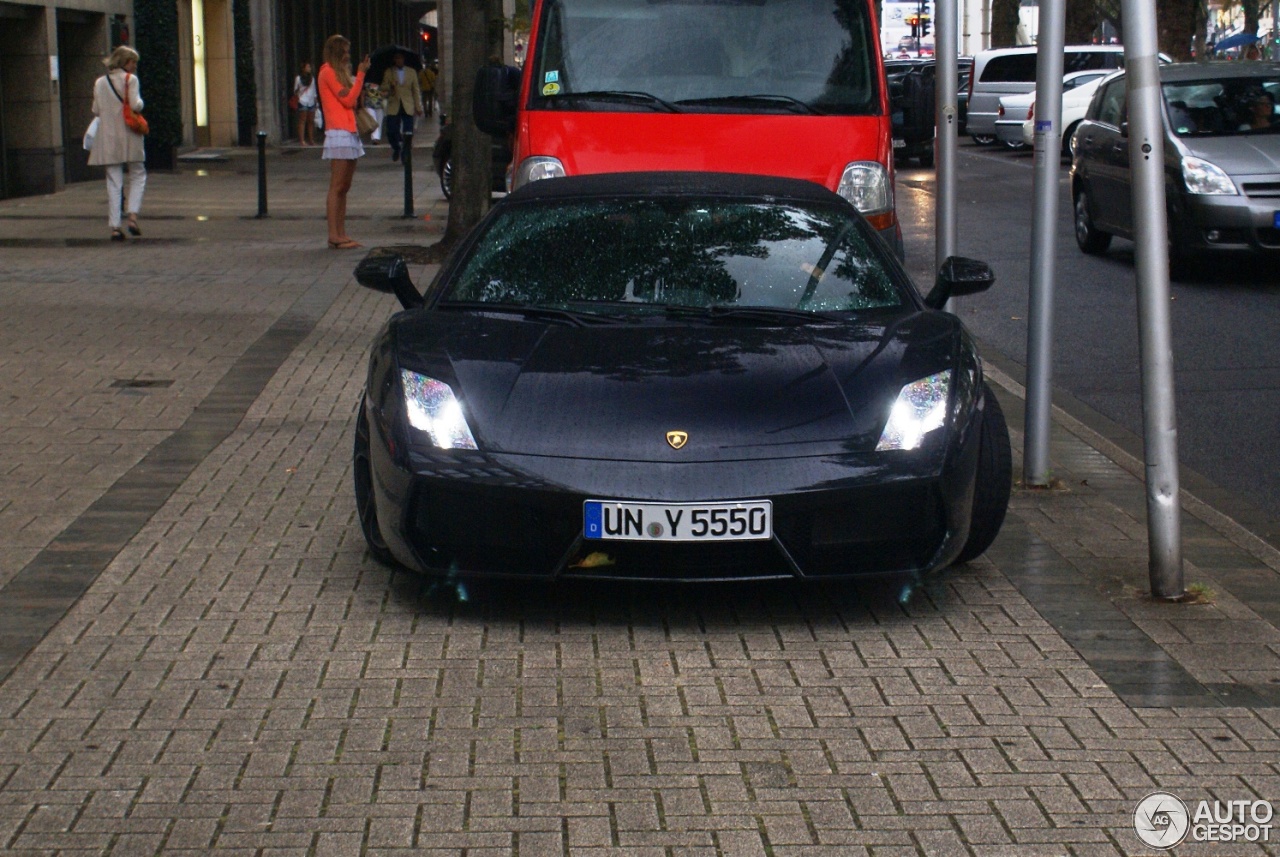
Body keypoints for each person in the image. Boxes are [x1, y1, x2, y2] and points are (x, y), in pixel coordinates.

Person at [89, 45, 147, 242]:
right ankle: (132, 217)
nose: (135, 66)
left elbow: (96, 109)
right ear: (125, 62)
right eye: (133, 62)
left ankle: (115, 226)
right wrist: (139, 104)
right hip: (130, 133)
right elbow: (136, 104)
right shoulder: (131, 80)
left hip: (108, 136)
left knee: (114, 180)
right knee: (138, 173)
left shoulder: (100, 83)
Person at [318, 34, 371, 250]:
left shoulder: (341, 74)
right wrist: (360, 75)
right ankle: (333, 234)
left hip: (349, 131)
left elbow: (354, 98)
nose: (348, 56)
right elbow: (347, 99)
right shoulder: (327, 73)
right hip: (338, 132)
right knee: (337, 186)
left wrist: (357, 78)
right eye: (345, 52)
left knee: (345, 187)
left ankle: (341, 232)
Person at [379, 51, 423, 162]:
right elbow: (383, 87)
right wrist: (390, 86)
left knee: (408, 132)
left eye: (401, 58)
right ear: (394, 60)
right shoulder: (389, 72)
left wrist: (418, 106)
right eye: (397, 58)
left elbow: (416, 90)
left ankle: (405, 152)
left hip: (407, 104)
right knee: (391, 130)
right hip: (394, 104)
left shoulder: (411, 72)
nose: (399, 60)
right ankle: (396, 148)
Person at [294, 62, 319, 145]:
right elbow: (295, 90)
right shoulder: (298, 78)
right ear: (303, 68)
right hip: (302, 100)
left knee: (311, 121)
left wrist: (316, 102)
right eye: (308, 67)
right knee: (302, 120)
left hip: (311, 100)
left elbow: (314, 90)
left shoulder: (312, 78)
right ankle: (302, 140)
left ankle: (311, 139)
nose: (309, 68)